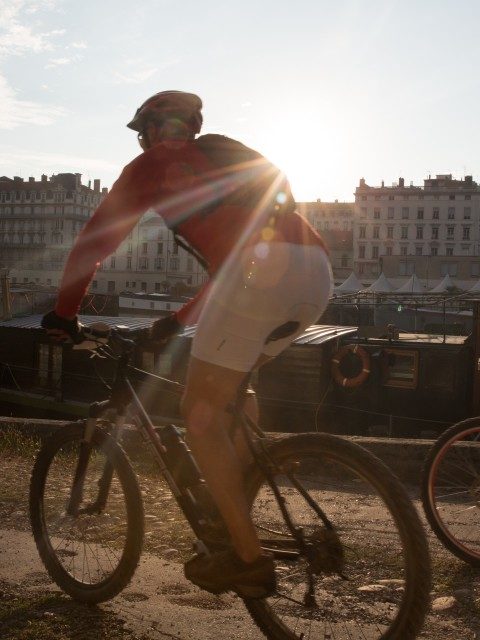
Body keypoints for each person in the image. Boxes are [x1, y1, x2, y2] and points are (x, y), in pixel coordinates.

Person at [42, 90, 332, 598]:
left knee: (196, 409)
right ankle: (235, 499)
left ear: (153, 130)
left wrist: (64, 315)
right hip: (316, 276)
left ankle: (247, 558)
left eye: (142, 133)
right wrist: (176, 321)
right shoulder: (230, 152)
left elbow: (94, 243)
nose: (143, 141)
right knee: (233, 393)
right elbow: (236, 263)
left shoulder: (154, 164)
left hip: (258, 276)